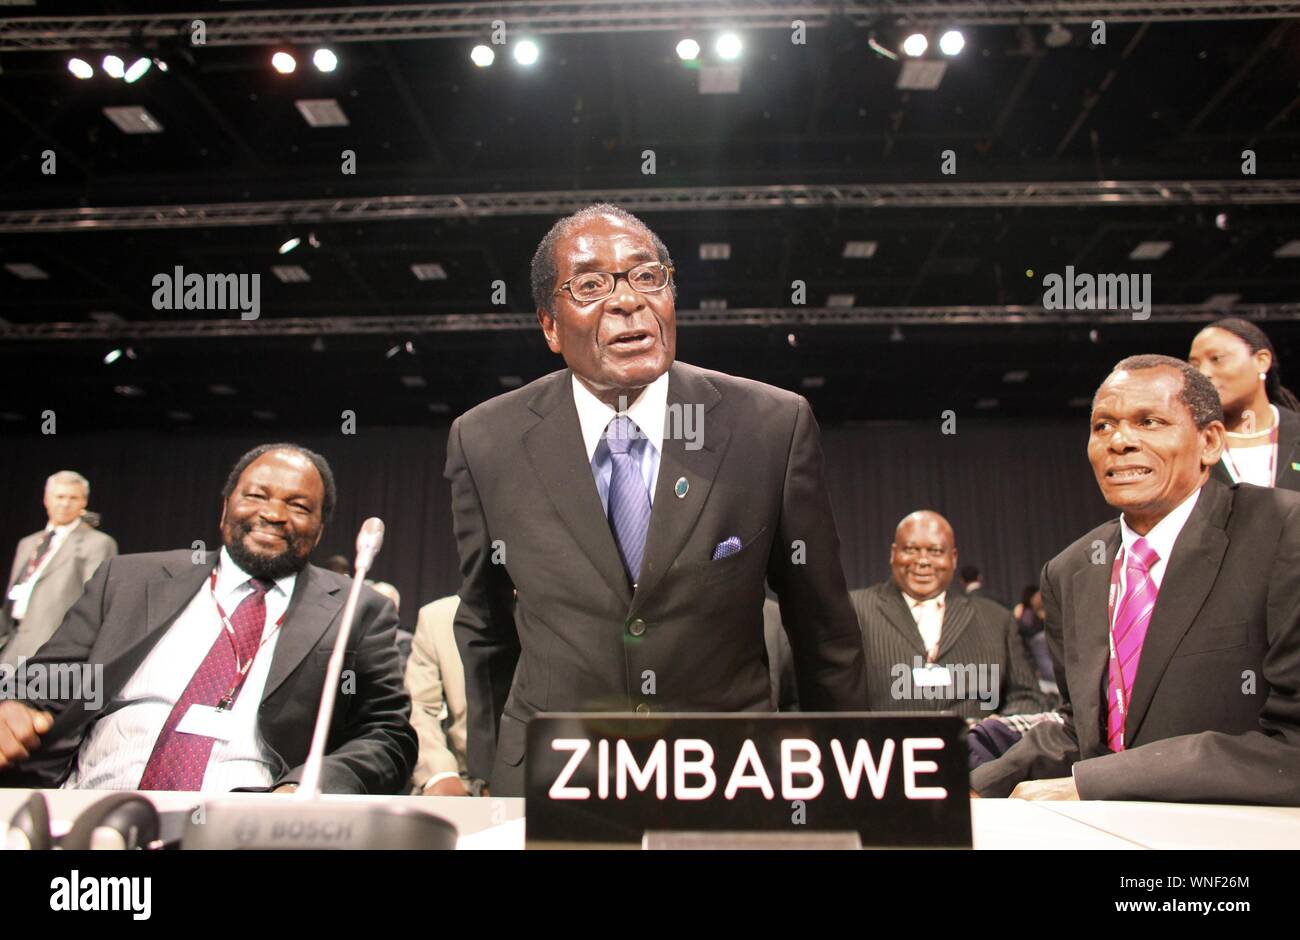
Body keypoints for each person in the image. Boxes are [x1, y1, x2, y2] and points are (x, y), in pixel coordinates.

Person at [445, 203, 867, 796]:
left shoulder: (770, 425)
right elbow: (485, 628)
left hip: (725, 774)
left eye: (648, 277)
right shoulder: (485, 440)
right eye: (590, 285)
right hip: (554, 776)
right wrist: (492, 776)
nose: (626, 301)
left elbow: (823, 627)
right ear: (549, 325)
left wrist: (849, 779)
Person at [972, 356, 1300, 804]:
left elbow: (1291, 746)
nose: (1120, 441)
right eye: (1103, 426)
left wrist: (1099, 783)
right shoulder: (1070, 571)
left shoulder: (1285, 533)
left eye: (1149, 421)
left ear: (1209, 442)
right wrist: (969, 786)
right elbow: (1082, 731)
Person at [0, 444, 417, 794]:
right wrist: (17, 704)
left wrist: (309, 785)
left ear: (320, 528)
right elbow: (47, 677)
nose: (273, 514)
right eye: (256, 496)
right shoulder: (128, 580)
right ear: (225, 508)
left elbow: (388, 735)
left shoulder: (356, 609)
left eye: (298, 505)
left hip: (251, 824)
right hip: (94, 801)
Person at [850, 512, 1048, 720]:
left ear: (953, 558)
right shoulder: (855, 610)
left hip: (979, 752)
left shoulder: (996, 619)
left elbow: (1028, 697)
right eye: (910, 549)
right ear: (893, 553)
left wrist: (995, 731)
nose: (923, 561)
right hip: (884, 748)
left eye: (935, 551)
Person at [0, 472, 117, 669]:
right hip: (12, 643)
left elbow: (93, 603)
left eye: (73, 497)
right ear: (46, 499)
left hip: (51, 649)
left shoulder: (97, 543)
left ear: (84, 501)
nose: (65, 503)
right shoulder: (28, 543)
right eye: (60, 497)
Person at [1188, 317, 1300, 492]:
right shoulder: (1189, 443)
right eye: (1194, 365)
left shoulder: (1295, 431)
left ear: (1261, 361)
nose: (1203, 373)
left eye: (1216, 359)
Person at [405, 595, 474, 796]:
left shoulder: (561, 609)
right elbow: (419, 706)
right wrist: (439, 772)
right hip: (464, 781)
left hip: (546, 780)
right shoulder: (438, 617)